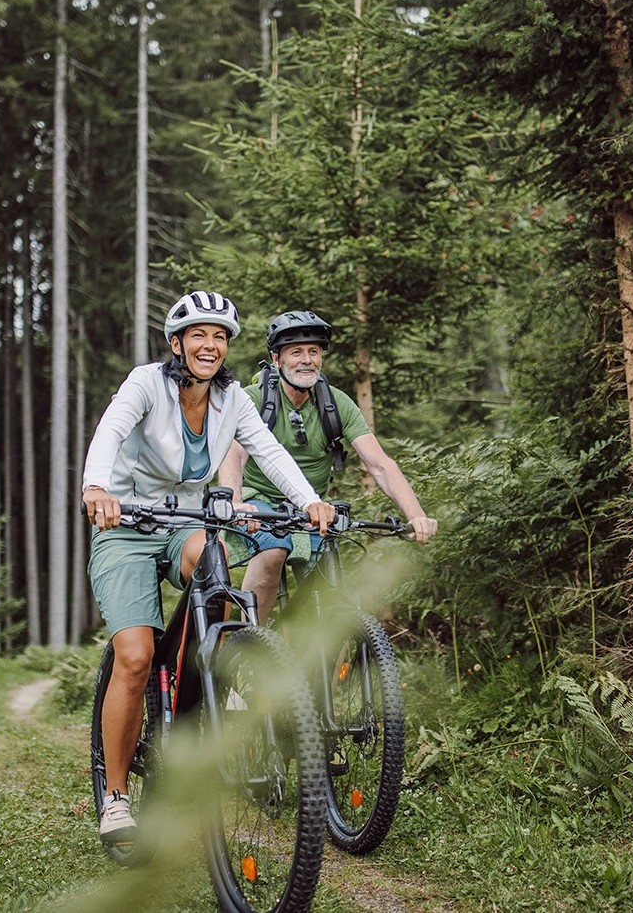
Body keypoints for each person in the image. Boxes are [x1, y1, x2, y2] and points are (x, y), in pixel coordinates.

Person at [81, 291, 334, 847]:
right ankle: (117, 799)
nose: (209, 345)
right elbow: (111, 432)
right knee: (135, 656)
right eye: (198, 334)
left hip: (183, 524)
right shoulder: (147, 384)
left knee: (214, 570)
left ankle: (197, 687)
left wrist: (310, 499)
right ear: (177, 343)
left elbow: (270, 453)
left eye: (219, 336)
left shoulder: (232, 400)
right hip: (124, 525)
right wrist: (96, 486)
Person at [218, 309, 438, 624]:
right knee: (273, 552)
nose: (307, 359)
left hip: (313, 506)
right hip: (260, 499)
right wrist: (235, 500)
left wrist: (415, 514)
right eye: (296, 352)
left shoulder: (336, 403)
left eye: (314, 352)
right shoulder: (252, 399)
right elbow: (234, 453)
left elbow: (379, 465)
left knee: (331, 588)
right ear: (277, 358)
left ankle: (315, 666)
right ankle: (247, 642)